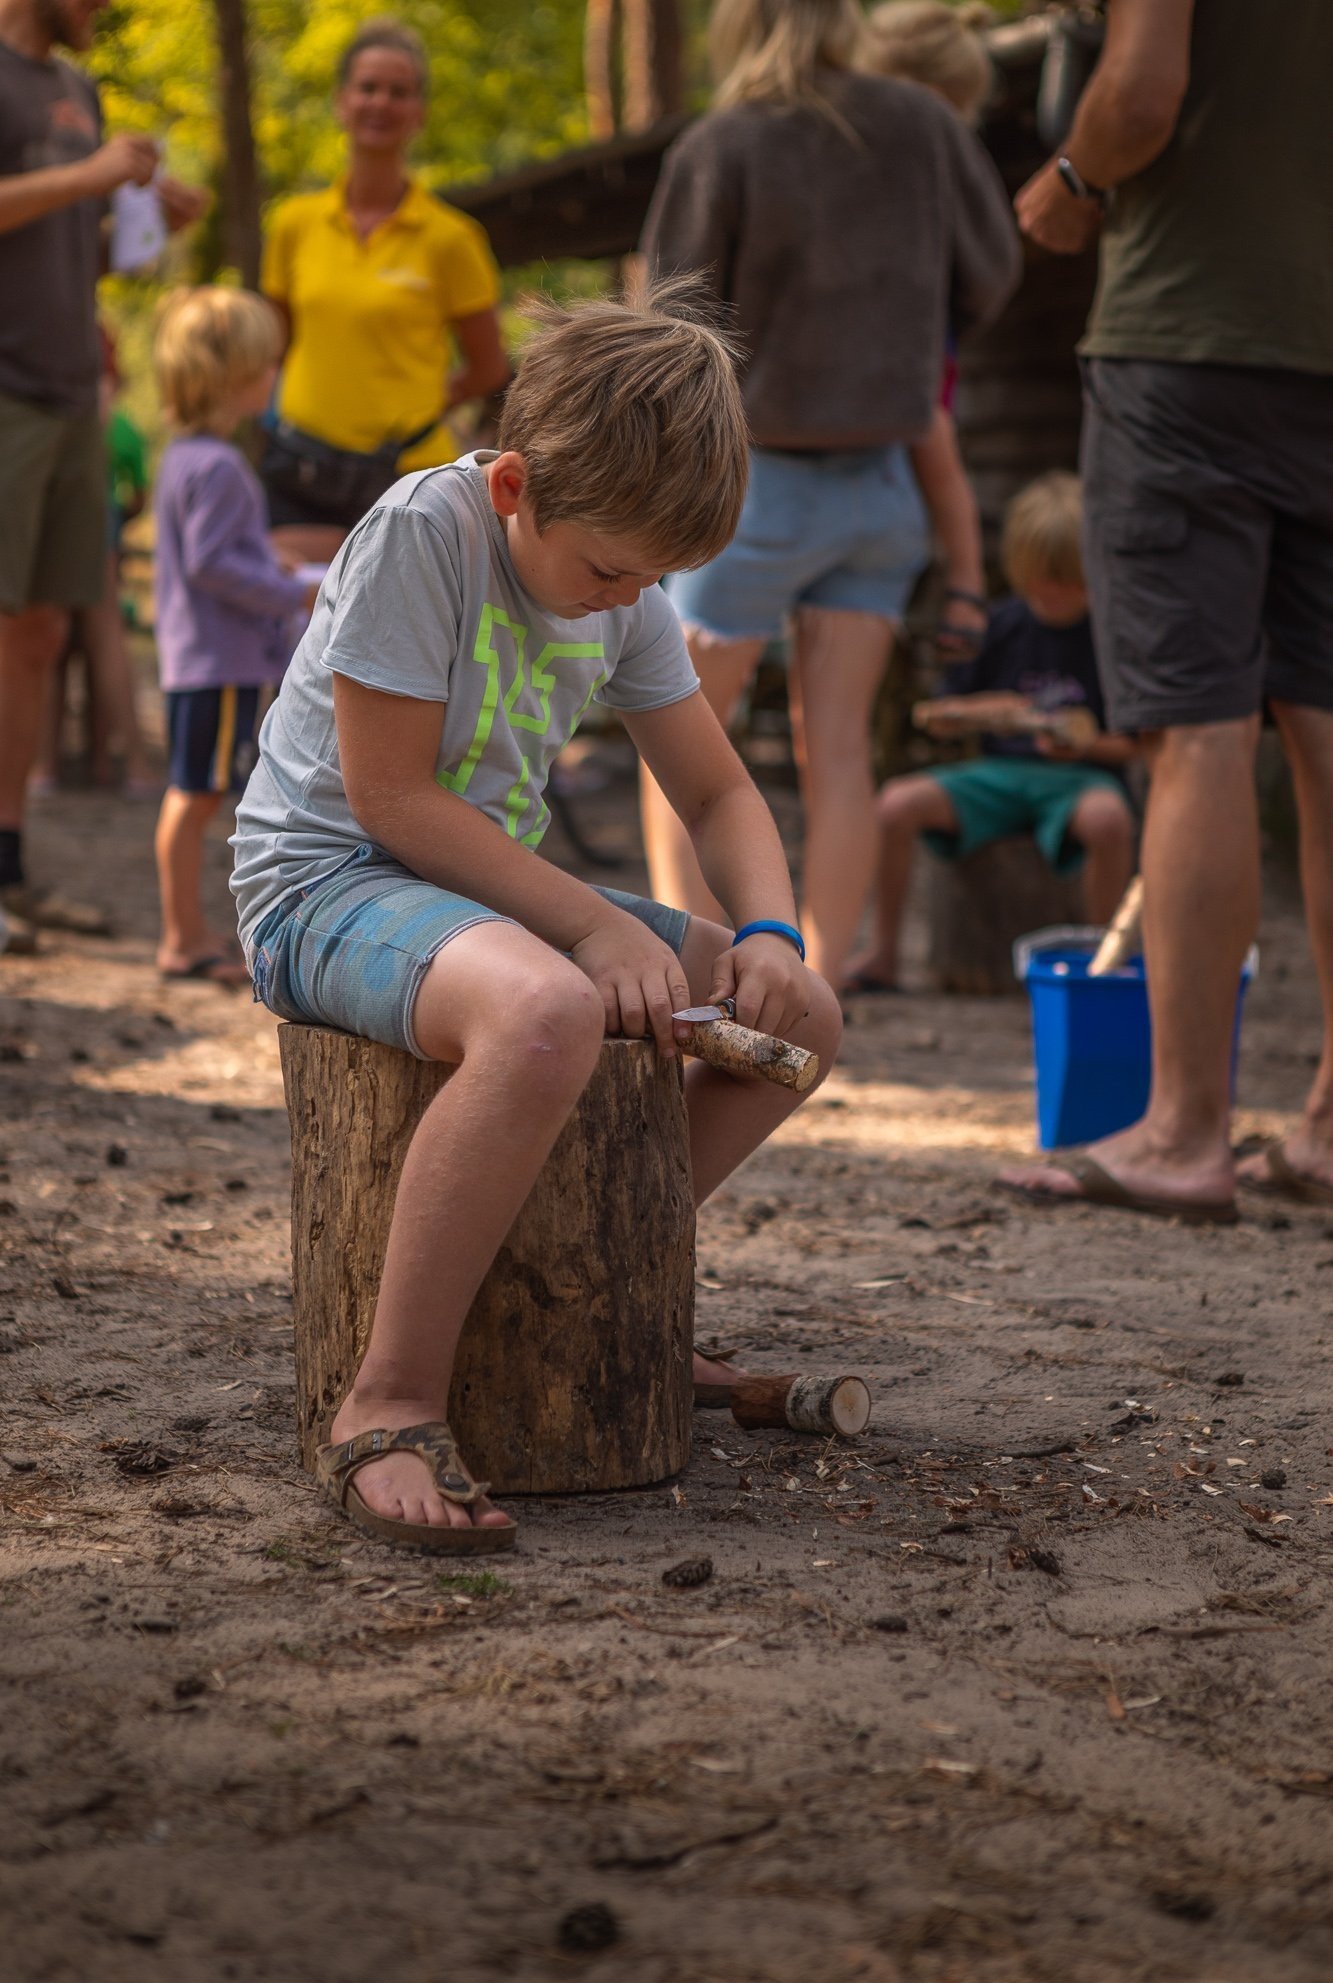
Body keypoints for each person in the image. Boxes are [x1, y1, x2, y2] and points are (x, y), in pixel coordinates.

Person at [229, 285, 842, 1551]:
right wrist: (596, 930)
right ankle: (385, 1402)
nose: (624, 598)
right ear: (513, 485)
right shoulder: (424, 529)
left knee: (805, 1017)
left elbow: (720, 788)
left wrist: (773, 934)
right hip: (323, 883)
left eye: (653, 577)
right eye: (611, 569)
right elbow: (390, 798)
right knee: (552, 1009)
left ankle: (602, 1309)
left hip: (469, 889)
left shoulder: (621, 580)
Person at [1002, 0, 1333, 1223]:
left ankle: (1186, 1127)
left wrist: (1071, 181)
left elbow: (1141, 91)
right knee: (1325, 732)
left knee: (1192, 732)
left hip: (1191, 346)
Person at [638, 0, 1020, 991]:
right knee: (839, 747)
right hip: (880, 484)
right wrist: (900, 349)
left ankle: (704, 968)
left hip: (752, 486)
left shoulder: (724, 141)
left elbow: (668, 322)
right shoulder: (922, 124)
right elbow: (995, 267)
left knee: (678, 740)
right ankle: (819, 969)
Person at [0, 0, 204, 950]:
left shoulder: (78, 87)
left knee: (40, 628)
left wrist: (139, 209)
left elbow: (73, 245)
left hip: (75, 392)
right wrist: (92, 175)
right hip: (4, 393)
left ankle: (9, 869)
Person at [846, 473, 1136, 994]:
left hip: (1080, 779)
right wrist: (991, 712)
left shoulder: (1112, 637)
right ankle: (883, 954)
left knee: (1109, 821)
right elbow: (944, 712)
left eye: (1066, 581)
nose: (1052, 593)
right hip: (999, 774)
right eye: (1040, 580)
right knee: (894, 804)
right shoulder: (1002, 625)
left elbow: (1138, 743)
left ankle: (1101, 962)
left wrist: (1083, 744)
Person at [259, 16, 510, 567]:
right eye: (367, 87)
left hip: (406, 476)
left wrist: (417, 399)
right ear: (341, 102)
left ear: (418, 113)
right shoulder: (292, 224)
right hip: (298, 473)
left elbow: (489, 367)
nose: (381, 102)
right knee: (292, 636)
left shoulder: (453, 239)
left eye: (399, 92)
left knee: (394, 642)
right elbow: (275, 345)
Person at [153, 289, 314, 986]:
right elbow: (210, 563)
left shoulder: (190, 457)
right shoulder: (218, 465)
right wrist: (292, 591)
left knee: (195, 794)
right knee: (198, 797)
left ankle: (186, 930)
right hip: (222, 661)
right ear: (235, 375)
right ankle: (183, 937)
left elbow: (218, 551)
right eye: (266, 361)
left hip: (205, 658)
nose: (275, 372)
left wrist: (266, 561)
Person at [862, 0, 995, 659]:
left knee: (934, 438)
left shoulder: (937, 158)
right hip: (878, 344)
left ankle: (966, 579)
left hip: (914, 347)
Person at [30, 325, 155, 797]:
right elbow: (137, 495)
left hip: (56, 494)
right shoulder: (91, 335)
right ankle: (129, 765)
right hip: (88, 503)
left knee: (53, 637)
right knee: (98, 638)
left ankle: (44, 767)